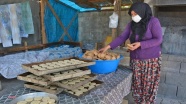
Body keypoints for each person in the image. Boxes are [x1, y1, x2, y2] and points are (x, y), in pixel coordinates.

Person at [99, 2, 162, 104]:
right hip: (136, 60)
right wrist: (107, 47)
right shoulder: (131, 24)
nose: (133, 17)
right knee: (137, 86)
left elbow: (158, 39)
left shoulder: (153, 22)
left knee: (148, 87)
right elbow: (122, 37)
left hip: (150, 61)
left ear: (142, 12)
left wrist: (140, 44)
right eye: (132, 14)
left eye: (135, 14)